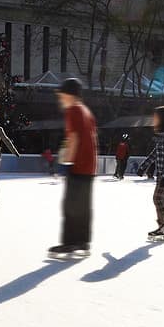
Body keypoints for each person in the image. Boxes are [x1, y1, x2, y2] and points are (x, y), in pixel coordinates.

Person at [48, 78, 97, 260]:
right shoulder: (86, 111)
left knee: (70, 206)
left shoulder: (73, 111)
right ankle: (83, 241)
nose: (60, 99)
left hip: (78, 165)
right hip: (90, 167)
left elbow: (74, 139)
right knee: (83, 206)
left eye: (62, 95)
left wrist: (66, 164)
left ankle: (69, 243)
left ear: (70, 95)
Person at [138, 106, 164, 241]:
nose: (153, 119)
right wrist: (143, 166)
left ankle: (163, 226)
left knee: (157, 199)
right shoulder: (163, 135)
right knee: (162, 199)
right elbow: (155, 153)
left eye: (156, 117)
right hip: (163, 174)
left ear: (163, 119)